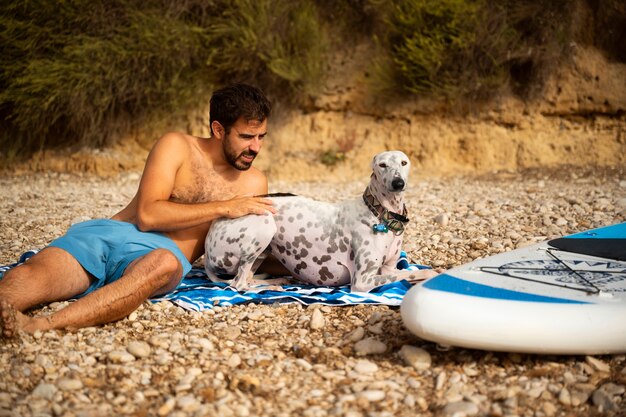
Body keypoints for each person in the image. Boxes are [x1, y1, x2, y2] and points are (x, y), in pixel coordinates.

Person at [0, 83, 278, 337]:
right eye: (246, 136)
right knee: (27, 280)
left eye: (261, 137)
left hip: (160, 257)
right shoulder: (177, 146)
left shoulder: (254, 182)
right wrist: (225, 207)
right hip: (108, 236)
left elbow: (252, 246)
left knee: (164, 263)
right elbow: (148, 216)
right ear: (219, 130)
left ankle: (41, 326)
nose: (256, 147)